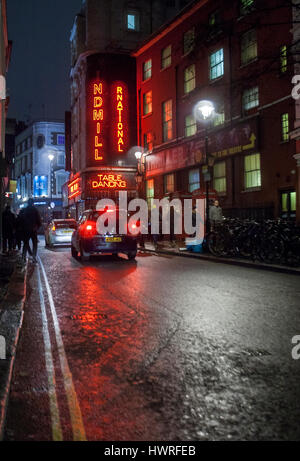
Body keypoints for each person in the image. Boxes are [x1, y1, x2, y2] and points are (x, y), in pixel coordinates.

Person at [22, 198, 42, 263]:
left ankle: (24, 257)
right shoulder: (35, 210)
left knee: (25, 243)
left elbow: (22, 220)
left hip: (26, 230)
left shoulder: (25, 210)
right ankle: (33, 257)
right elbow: (39, 220)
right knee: (34, 244)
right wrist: (37, 227)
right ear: (32, 203)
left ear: (28, 203)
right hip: (33, 229)